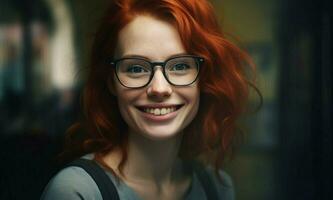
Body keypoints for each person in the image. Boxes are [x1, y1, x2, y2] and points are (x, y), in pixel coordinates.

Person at [41, 0, 257, 199]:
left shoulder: (217, 188)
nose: (159, 88)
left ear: (203, 78)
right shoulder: (77, 192)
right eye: (136, 68)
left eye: (180, 66)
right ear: (111, 81)